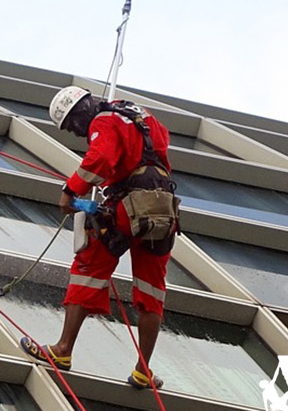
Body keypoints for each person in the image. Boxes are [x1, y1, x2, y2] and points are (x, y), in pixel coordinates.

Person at [20, 85, 182, 389]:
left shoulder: (103, 121)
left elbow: (101, 158)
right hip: (163, 209)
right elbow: (155, 148)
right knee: (152, 290)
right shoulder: (141, 115)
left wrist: (70, 192)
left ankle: (63, 350)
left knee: (88, 268)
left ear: (79, 112)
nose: (77, 133)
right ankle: (143, 370)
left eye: (73, 126)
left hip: (127, 207)